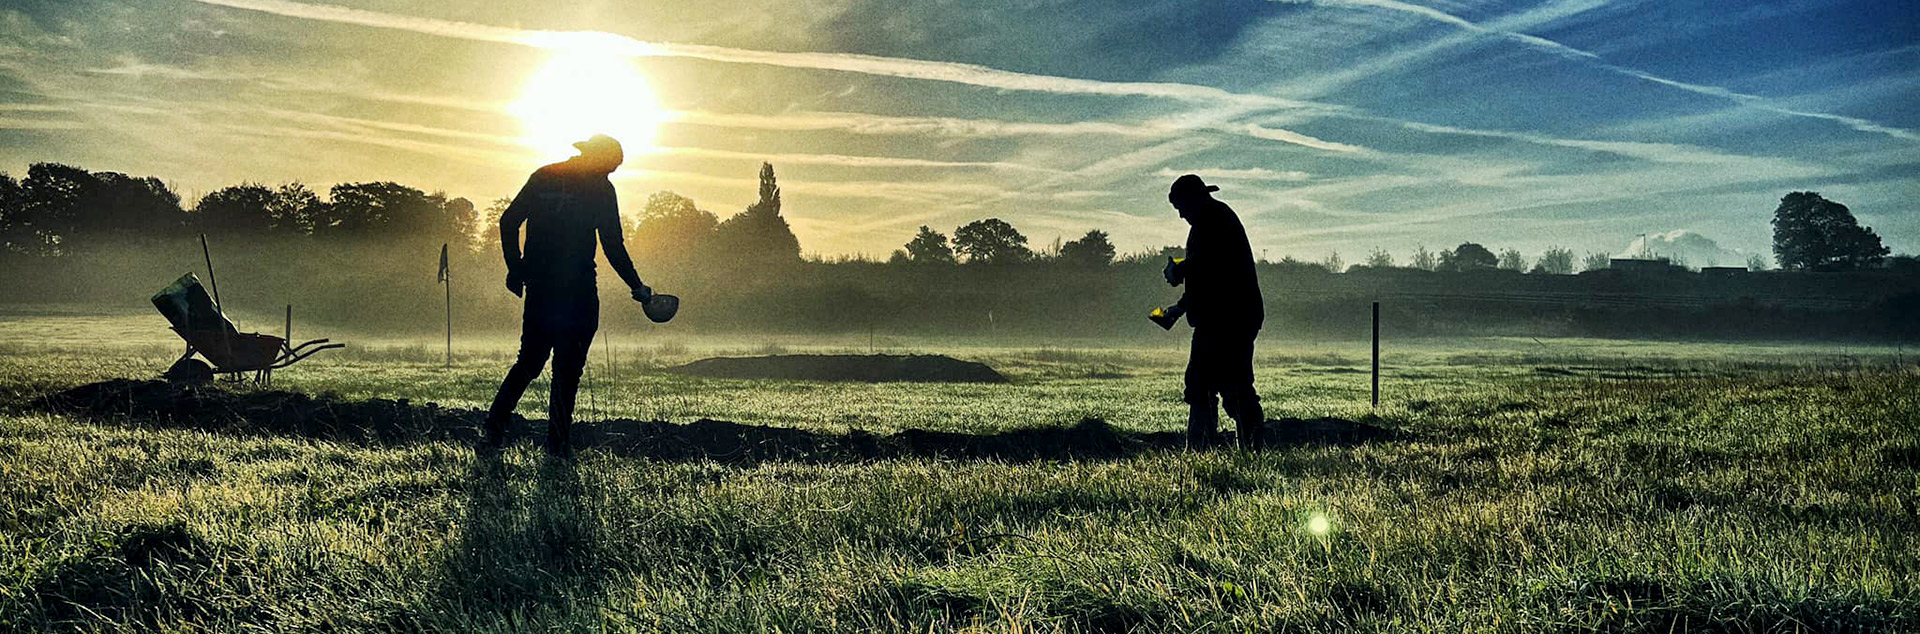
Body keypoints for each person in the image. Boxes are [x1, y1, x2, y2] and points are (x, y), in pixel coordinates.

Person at [484, 134, 652, 456]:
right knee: (568, 369)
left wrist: (516, 268)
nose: (611, 173)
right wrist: (637, 285)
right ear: (600, 160)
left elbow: (508, 221)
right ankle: (557, 444)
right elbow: (612, 244)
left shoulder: (544, 175)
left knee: (529, 363)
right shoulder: (601, 190)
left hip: (540, 289)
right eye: (611, 167)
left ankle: (493, 432)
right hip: (578, 293)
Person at [1164, 174, 1265, 450]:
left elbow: (1210, 265)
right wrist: (1180, 307)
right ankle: (1236, 448)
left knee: (1225, 386)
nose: (1181, 215)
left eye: (1181, 207)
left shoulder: (1214, 220)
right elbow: (1207, 278)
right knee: (1210, 384)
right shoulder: (1213, 219)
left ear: (1193, 199)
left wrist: (1180, 270)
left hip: (1229, 320)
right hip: (1224, 318)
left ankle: (1211, 449)